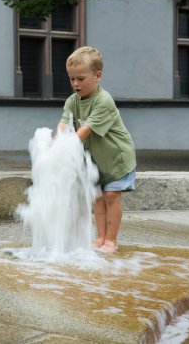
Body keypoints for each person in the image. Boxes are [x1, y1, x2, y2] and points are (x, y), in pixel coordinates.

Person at [57, 46, 136, 253]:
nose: (75, 84)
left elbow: (85, 130)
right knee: (98, 199)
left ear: (98, 75)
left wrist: (65, 145)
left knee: (111, 196)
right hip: (96, 162)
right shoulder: (72, 101)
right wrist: (58, 138)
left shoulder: (104, 101)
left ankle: (111, 240)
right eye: (71, 78)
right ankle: (100, 237)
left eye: (80, 78)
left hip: (117, 158)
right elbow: (64, 123)